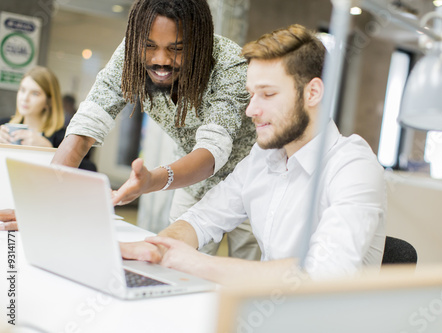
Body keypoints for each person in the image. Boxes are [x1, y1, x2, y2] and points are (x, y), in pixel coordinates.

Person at [120, 24, 386, 284]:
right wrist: (157, 248)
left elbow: (325, 273)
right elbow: (202, 218)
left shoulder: (353, 165)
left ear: (313, 93)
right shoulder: (264, 157)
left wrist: (197, 263)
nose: (251, 110)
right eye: (251, 95)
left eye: (267, 94)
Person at [50, 0, 260, 260]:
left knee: (247, 271)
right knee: (178, 263)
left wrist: (152, 181)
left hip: (250, 180)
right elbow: (88, 122)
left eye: (177, 49)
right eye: (150, 46)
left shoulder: (229, 63)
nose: (161, 61)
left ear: (199, 44)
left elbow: (212, 151)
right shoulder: (131, 53)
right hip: (192, 182)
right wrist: (47, 199)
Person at [0, 66, 65, 148]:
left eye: (35, 93)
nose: (25, 98)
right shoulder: (3, 126)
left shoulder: (63, 139)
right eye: (22, 90)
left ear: (49, 101)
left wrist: (49, 148)